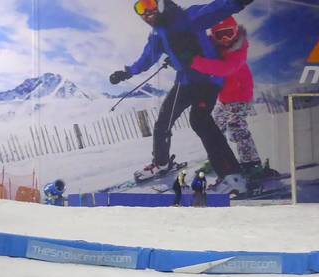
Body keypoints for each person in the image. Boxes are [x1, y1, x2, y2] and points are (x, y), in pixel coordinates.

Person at [109, 0, 255, 195]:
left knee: (200, 121)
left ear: (161, 4)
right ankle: (161, 163)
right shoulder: (157, 33)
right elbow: (148, 57)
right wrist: (127, 72)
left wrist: (236, 2)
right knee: (163, 121)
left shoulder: (186, 18)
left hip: (207, 80)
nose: (146, 12)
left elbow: (215, 10)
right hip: (185, 82)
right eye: (140, 7)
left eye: (149, 4)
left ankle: (232, 177)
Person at [191, 17, 261, 179]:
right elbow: (199, 44)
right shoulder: (213, 47)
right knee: (214, 128)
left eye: (228, 33)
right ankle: (218, 159)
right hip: (224, 99)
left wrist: (193, 62)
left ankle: (251, 163)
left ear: (236, 31)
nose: (225, 39)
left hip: (240, 97)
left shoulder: (239, 50)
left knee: (236, 128)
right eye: (220, 35)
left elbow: (224, 69)